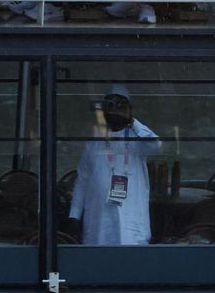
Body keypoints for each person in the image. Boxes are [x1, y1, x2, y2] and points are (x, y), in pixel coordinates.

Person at [68, 85, 162, 246]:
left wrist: (132, 121)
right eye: (110, 105)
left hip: (131, 223)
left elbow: (156, 145)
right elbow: (82, 181)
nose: (115, 110)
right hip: (99, 222)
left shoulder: (137, 138)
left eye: (120, 105)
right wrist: (74, 215)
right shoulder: (94, 142)